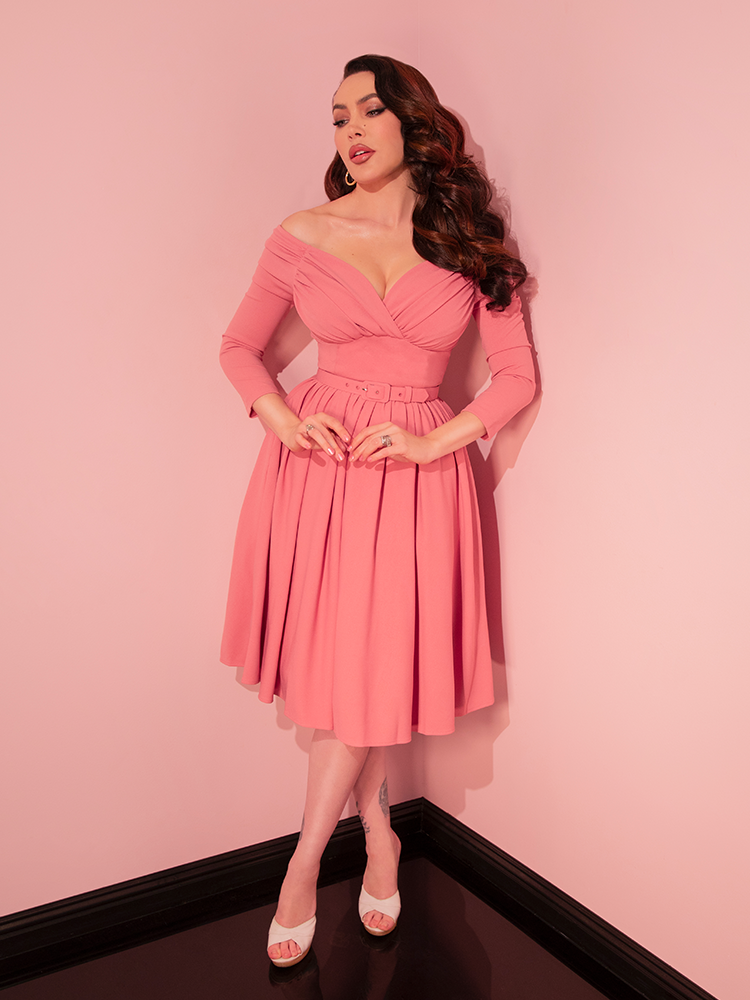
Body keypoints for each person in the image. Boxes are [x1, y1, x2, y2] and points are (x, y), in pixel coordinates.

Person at [219, 54, 535, 968]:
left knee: (369, 670)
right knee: (347, 673)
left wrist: (440, 443)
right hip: (321, 470)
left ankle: (305, 863)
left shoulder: (467, 237)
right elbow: (238, 346)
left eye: (368, 111)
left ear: (411, 121)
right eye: (337, 117)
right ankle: (379, 839)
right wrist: (283, 416)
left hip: (417, 474)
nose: (350, 131)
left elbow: (516, 376)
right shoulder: (303, 233)